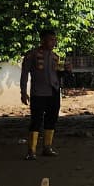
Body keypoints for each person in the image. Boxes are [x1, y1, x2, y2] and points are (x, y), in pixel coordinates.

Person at [19, 30, 64, 159]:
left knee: (52, 119)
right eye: (51, 39)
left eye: (54, 40)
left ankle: (47, 147)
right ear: (42, 40)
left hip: (53, 92)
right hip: (38, 93)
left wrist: (66, 71)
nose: (53, 42)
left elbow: (58, 75)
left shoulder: (55, 57)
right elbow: (24, 75)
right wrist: (23, 92)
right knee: (36, 120)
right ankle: (31, 151)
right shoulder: (31, 55)